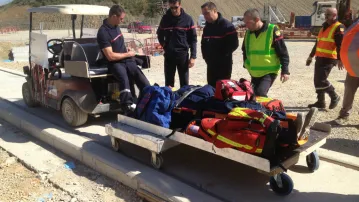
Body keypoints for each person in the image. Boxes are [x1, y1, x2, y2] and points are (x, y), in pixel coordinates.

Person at [97, 5, 150, 114]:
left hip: (126, 59)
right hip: (114, 63)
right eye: (121, 18)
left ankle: (149, 97)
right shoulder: (103, 32)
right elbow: (110, 56)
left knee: (139, 76)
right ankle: (127, 105)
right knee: (124, 78)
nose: (122, 21)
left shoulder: (116, 26)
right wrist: (127, 54)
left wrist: (128, 50)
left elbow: (119, 45)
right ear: (114, 16)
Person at [242, 9, 290, 97]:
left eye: (248, 22)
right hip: (254, 72)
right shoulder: (248, 33)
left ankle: (269, 109)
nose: (246, 25)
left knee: (261, 93)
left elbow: (282, 52)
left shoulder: (272, 30)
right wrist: (246, 63)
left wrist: (285, 70)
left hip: (269, 71)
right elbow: (244, 50)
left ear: (257, 19)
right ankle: (260, 110)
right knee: (252, 96)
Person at [306, 8, 345, 109]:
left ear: (334, 16)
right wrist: (311, 56)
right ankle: (321, 102)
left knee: (322, 79)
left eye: (328, 15)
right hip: (320, 57)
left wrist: (341, 59)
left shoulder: (338, 27)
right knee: (317, 80)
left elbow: (340, 45)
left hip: (330, 58)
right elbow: (317, 43)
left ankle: (334, 96)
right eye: (325, 14)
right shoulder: (324, 26)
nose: (325, 16)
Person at [156, 0, 197, 88]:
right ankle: (170, 100)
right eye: (171, 8)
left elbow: (193, 39)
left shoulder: (188, 19)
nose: (174, 10)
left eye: (176, 7)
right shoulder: (165, 19)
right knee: (169, 83)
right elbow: (159, 34)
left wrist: (193, 56)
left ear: (180, 5)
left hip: (183, 55)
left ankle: (184, 101)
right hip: (169, 55)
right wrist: (164, 46)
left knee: (184, 83)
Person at [200, 2, 239, 87]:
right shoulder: (207, 28)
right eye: (203, 14)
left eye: (207, 13)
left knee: (222, 89)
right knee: (210, 88)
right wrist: (206, 57)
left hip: (223, 65)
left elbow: (234, 44)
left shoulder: (227, 26)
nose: (205, 16)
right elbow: (203, 44)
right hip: (210, 64)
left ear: (214, 11)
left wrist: (221, 56)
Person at [336, 18, 359, 122]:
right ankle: (344, 113)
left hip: (354, 64)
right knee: (349, 90)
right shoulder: (355, 23)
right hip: (353, 67)